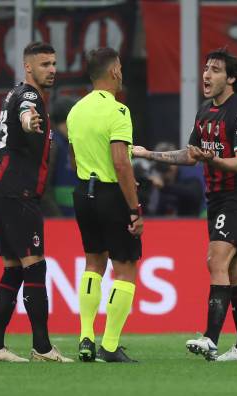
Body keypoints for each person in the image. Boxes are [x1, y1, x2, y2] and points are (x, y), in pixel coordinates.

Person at [133, 48, 237, 361]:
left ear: (231, 78)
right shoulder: (205, 112)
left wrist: (211, 158)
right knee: (234, 269)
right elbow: (190, 155)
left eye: (215, 70)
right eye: (206, 68)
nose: (206, 74)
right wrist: (148, 153)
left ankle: (210, 338)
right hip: (216, 198)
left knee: (215, 260)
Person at [0, 42, 72, 362]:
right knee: (35, 265)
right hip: (15, 192)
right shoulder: (30, 97)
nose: (52, 69)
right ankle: (43, 347)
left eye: (54, 63)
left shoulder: (13, 93)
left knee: (13, 268)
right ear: (28, 68)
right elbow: (26, 115)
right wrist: (29, 122)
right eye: (45, 64)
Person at [67, 47, 143, 363]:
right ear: (113, 71)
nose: (122, 73)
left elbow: (73, 160)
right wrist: (135, 209)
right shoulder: (118, 112)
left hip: (84, 191)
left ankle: (86, 336)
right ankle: (110, 345)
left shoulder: (75, 111)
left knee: (93, 264)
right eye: (121, 68)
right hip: (111, 194)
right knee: (124, 270)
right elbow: (120, 163)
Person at [133, 142, 204, 216]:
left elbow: (194, 195)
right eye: (161, 166)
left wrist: (164, 187)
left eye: (166, 166)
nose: (165, 174)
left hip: (187, 222)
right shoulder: (153, 179)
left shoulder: (188, 175)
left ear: (175, 164)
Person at [43, 96, 78, 217]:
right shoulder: (52, 145)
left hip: (75, 216)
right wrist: (57, 217)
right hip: (60, 219)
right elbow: (44, 188)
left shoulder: (72, 143)